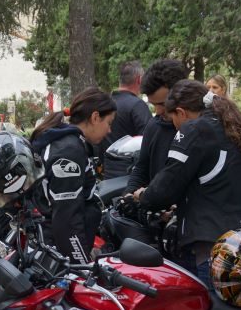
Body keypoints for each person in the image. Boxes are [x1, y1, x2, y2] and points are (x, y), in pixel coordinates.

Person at [132, 80, 241, 287]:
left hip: (216, 247)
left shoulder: (195, 129)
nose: (173, 126)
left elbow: (165, 186)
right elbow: (223, 184)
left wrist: (143, 196)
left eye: (172, 120)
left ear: (181, 112)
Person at [30, 87, 114, 266]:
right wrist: (79, 265)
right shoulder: (69, 151)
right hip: (56, 247)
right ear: (95, 117)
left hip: (51, 241)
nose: (109, 130)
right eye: (109, 122)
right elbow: (66, 218)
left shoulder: (68, 140)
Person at [126, 59, 190, 194]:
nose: (158, 111)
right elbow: (142, 168)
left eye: (162, 104)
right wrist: (129, 194)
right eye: (153, 105)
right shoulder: (154, 126)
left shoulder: (201, 131)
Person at [101, 60, 152, 157]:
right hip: (128, 166)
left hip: (104, 166)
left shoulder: (103, 103)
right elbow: (149, 140)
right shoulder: (138, 105)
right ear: (139, 80)